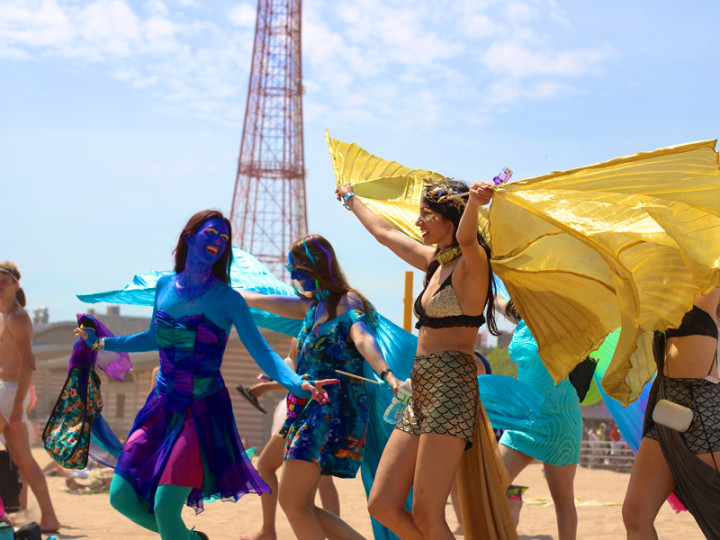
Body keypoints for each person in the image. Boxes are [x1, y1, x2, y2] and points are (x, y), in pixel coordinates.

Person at [74, 211, 336, 540]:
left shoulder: (228, 299)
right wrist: (100, 343)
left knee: (165, 507)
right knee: (121, 498)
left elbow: (263, 352)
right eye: (212, 233)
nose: (218, 241)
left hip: (201, 412)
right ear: (189, 237)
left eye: (224, 238)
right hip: (160, 407)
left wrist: (298, 383)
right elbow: (152, 337)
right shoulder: (164, 286)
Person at [336, 179, 507, 539]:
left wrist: (475, 203)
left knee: (428, 514)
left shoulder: (473, 263)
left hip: (452, 389)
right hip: (421, 388)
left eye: (427, 215)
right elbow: (385, 233)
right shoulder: (434, 262)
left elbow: (466, 240)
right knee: (382, 503)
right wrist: (351, 200)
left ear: (451, 218)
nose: (418, 223)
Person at [241, 233, 401, 540]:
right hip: (307, 409)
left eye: (297, 269)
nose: (292, 276)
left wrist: (388, 374)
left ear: (316, 266)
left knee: (293, 501)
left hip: (333, 410)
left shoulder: (347, 302)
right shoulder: (310, 307)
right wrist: (227, 293)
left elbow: (363, 337)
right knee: (301, 503)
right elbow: (261, 301)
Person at [623, 290, 720, 539]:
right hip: (667, 413)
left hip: (706, 415)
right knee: (635, 514)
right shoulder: (660, 289)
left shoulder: (708, 284)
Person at [494, 297, 582, 540]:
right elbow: (493, 296)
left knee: (563, 500)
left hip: (560, 419)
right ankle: (512, 507)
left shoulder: (568, 319)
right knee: (491, 484)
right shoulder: (522, 316)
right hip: (524, 419)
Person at [239, 338, 340, 540]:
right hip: (323, 413)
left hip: (299, 414)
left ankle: (268, 530)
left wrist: (266, 388)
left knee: (268, 469)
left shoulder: (303, 336)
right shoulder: (326, 330)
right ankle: (335, 535)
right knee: (322, 482)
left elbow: (301, 381)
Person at [0, 261, 60, 533]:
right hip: (7, 391)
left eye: (3, 282)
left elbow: (28, 363)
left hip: (11, 393)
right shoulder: (4, 317)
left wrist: (15, 408)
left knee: (23, 458)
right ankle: (49, 518)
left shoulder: (18, 317)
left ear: (15, 286)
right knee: (24, 458)